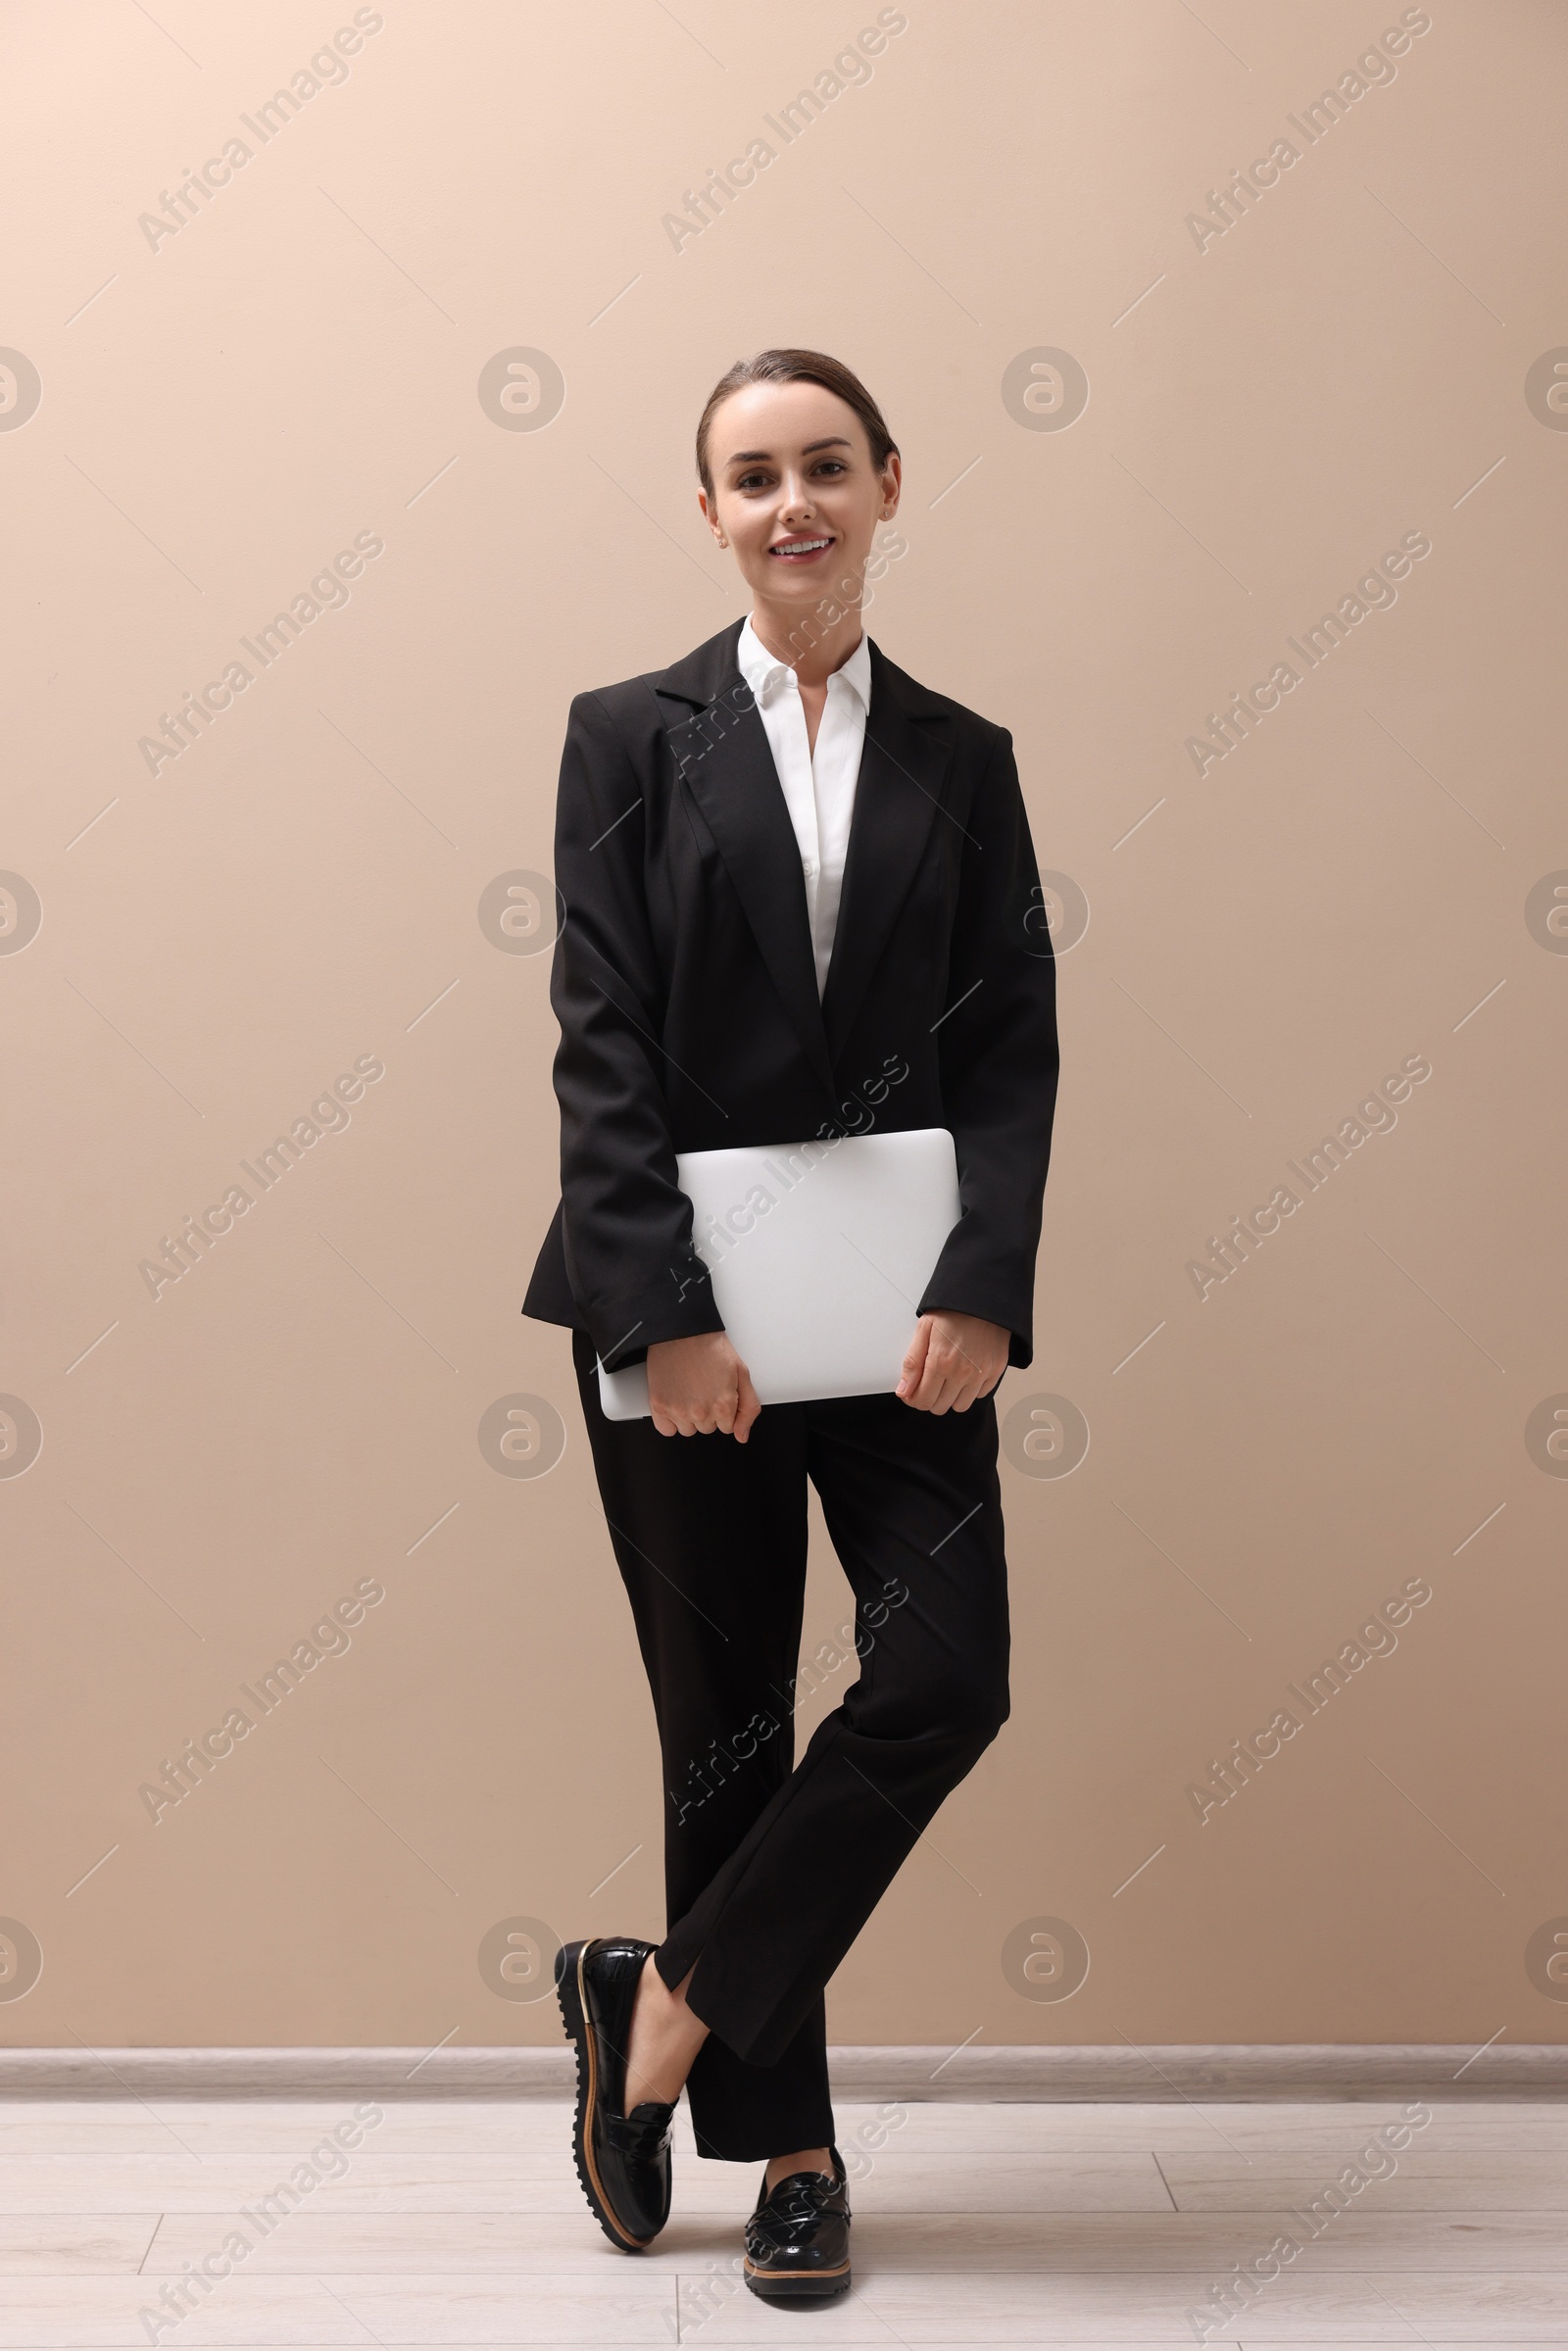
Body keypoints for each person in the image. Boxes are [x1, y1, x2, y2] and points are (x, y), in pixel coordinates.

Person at [523, 347, 1059, 2301]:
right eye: (750, 477)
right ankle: (794, 2153)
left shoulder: (963, 755)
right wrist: (661, 1311)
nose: (790, 504)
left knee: (942, 1679)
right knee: (725, 1736)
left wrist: (982, 1284)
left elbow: (1009, 1049)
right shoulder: (621, 737)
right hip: (681, 1320)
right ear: (710, 514)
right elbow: (598, 1046)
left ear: (887, 486)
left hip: (901, 1312)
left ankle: (655, 2019)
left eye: (823, 466)